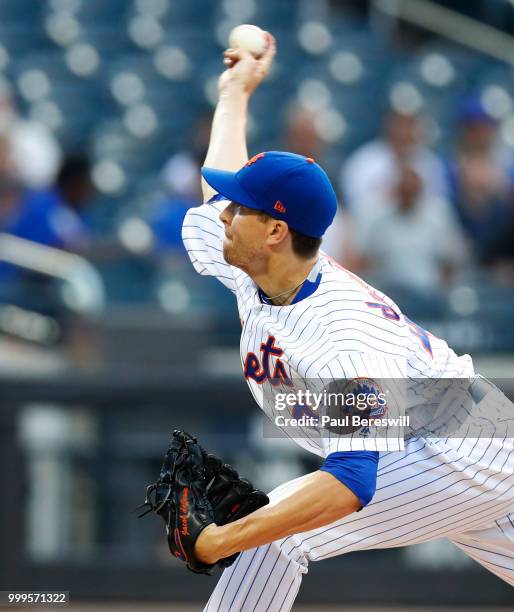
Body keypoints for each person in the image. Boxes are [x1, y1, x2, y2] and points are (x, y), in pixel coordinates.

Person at [181, 36, 514, 610]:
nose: (224, 216)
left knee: (275, 536)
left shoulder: (341, 340)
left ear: (276, 233)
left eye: (239, 210)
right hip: (448, 438)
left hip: (457, 449)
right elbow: (222, 177)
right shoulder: (256, 264)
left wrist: (218, 542)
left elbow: (351, 482)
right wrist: (235, 91)